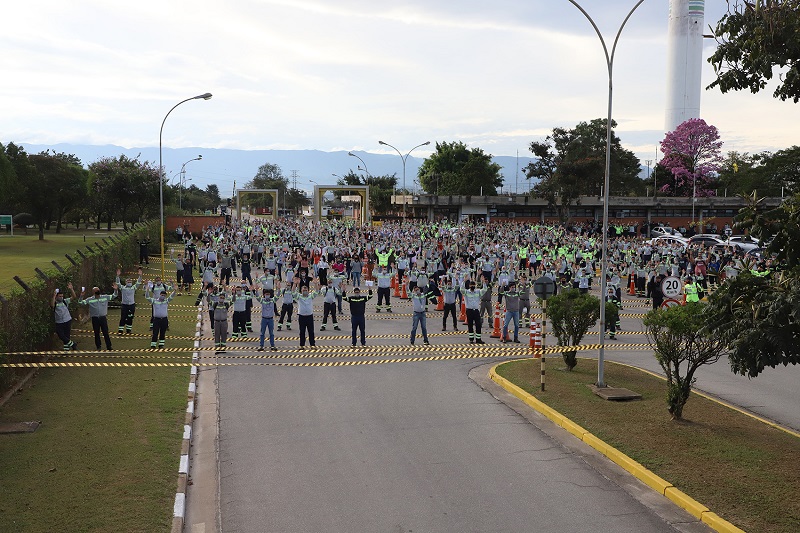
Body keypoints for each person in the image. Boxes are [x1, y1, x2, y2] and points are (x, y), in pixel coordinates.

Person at [78, 283, 118, 351]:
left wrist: (116, 290)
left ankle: (109, 346)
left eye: (98, 290)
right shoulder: (90, 299)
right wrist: (81, 296)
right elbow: (80, 302)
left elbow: (114, 295)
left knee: (105, 332)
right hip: (95, 318)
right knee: (96, 333)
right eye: (96, 291)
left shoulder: (105, 297)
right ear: (93, 292)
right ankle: (98, 346)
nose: (98, 291)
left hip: (103, 318)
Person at [145, 284, 177, 349]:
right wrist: (147, 290)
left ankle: (161, 345)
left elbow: (172, 296)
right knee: (155, 332)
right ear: (160, 295)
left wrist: (175, 291)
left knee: (163, 333)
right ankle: (153, 345)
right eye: (162, 295)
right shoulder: (154, 301)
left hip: (164, 319)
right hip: (156, 320)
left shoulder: (166, 301)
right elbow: (147, 297)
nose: (163, 296)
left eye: (164, 295)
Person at [294, 282, 321, 349]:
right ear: (301, 291)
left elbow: (317, 291)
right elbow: (293, 292)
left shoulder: (310, 296)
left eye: (306, 290)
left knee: (311, 331)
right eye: (303, 290)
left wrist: (315, 283)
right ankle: (302, 345)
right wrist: (294, 284)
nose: (305, 291)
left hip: (309, 316)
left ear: (308, 291)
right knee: (302, 332)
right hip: (302, 316)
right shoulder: (299, 296)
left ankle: (312, 345)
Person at [52, 282, 78, 351]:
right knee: (61, 335)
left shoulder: (65, 301)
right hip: (59, 322)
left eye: (62, 296)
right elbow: (52, 305)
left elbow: (74, 297)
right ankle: (73, 344)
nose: (61, 298)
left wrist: (71, 289)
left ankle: (66, 350)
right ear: (57, 297)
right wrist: (54, 296)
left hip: (67, 320)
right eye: (60, 296)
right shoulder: (55, 303)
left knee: (67, 335)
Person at [253, 286, 279, 351]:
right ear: (264, 295)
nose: (267, 295)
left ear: (270, 295)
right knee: (262, 333)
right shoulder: (262, 300)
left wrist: (279, 289)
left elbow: (277, 296)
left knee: (271, 333)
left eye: (268, 294)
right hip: (264, 319)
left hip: (270, 319)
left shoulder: (272, 300)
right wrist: (256, 291)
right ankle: (261, 346)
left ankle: (272, 346)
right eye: (266, 294)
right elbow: (257, 297)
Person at [463, 279, 487, 344]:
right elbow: (461, 290)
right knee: (470, 325)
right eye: (471, 285)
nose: (472, 286)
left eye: (473, 285)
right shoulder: (466, 292)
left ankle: (478, 339)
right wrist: (463, 282)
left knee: (478, 325)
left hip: (476, 311)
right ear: (469, 286)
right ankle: (471, 339)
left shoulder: (478, 292)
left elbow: (484, 290)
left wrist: (484, 283)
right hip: (469, 310)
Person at [211, 288, 230, 353]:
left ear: (224, 299)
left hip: (224, 322)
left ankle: (223, 348)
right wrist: (208, 294)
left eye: (223, 298)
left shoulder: (226, 304)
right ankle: (217, 349)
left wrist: (234, 294)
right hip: (217, 322)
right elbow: (208, 301)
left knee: (224, 335)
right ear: (218, 298)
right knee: (217, 335)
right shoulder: (215, 304)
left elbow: (233, 301)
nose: (221, 299)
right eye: (220, 297)